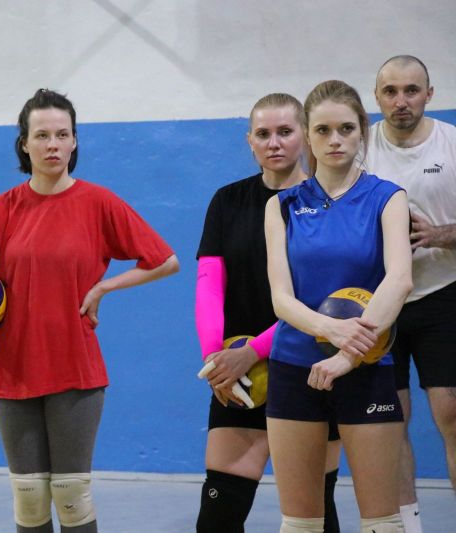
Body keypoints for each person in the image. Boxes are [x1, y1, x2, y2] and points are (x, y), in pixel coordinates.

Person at [0, 88, 179, 533]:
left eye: (62, 134)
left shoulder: (99, 203)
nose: (52, 144)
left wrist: (105, 286)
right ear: (24, 144)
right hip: (14, 368)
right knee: (30, 499)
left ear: (75, 141)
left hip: (75, 367)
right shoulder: (0, 210)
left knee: (71, 496)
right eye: (42, 135)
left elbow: (165, 260)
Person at [264, 80, 413, 532]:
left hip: (367, 368)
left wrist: (348, 355)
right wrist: (330, 330)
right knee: (300, 523)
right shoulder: (281, 206)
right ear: (307, 136)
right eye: (323, 130)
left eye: (346, 128)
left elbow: (399, 280)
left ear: (362, 131)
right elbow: (281, 299)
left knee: (382, 522)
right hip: (294, 367)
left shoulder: (388, 197)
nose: (335, 140)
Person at [195, 93, 341, 533]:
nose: (274, 143)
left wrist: (253, 351)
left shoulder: (328, 203)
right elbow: (209, 284)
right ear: (250, 141)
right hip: (237, 374)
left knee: (313, 513)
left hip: (308, 367)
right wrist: (216, 360)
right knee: (218, 517)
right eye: (263, 134)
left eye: (285, 132)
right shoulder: (228, 201)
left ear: (305, 136)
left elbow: (320, 300)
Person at [365, 54, 456, 533]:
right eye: (391, 91)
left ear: (429, 94)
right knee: (390, 421)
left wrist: (440, 234)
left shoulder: (451, 143)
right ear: (377, 97)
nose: (401, 101)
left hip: (444, 294)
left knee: (451, 412)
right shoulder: (358, 148)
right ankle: (407, 526)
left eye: (412, 90)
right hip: (379, 301)